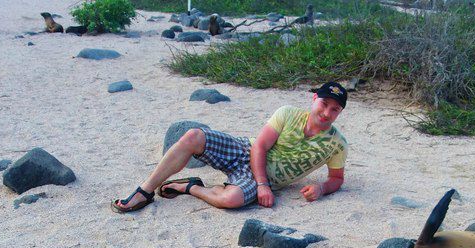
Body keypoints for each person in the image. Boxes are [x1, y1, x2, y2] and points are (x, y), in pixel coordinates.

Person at [111, 81, 349, 213]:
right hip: (246, 151)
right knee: (194, 135)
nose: (327, 112)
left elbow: (336, 178)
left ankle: (190, 188)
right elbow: (260, 147)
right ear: (314, 99)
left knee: (232, 199)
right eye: (324, 103)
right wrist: (264, 186)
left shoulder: (336, 144)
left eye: (335, 109)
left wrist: (321, 188)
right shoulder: (288, 113)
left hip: (256, 179)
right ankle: (145, 191)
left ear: (340, 112)